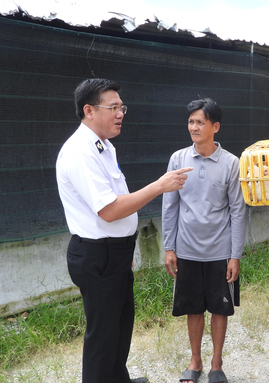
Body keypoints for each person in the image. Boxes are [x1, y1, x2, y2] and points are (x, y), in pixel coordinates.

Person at [56, 78, 192, 383]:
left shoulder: (104, 147)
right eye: (113, 107)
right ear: (89, 110)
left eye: (122, 107)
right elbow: (110, 210)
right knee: (103, 337)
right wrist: (159, 186)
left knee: (119, 326)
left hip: (113, 251)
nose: (120, 114)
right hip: (97, 253)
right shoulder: (80, 152)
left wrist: (124, 248)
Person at [162, 98, 247, 383]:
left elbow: (238, 210)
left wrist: (235, 255)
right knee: (193, 307)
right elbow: (169, 205)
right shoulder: (178, 159)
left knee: (219, 308)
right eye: (191, 122)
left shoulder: (231, 163)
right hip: (186, 250)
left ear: (215, 127)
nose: (194, 127)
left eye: (200, 122)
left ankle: (216, 364)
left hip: (220, 252)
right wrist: (169, 247)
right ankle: (195, 360)